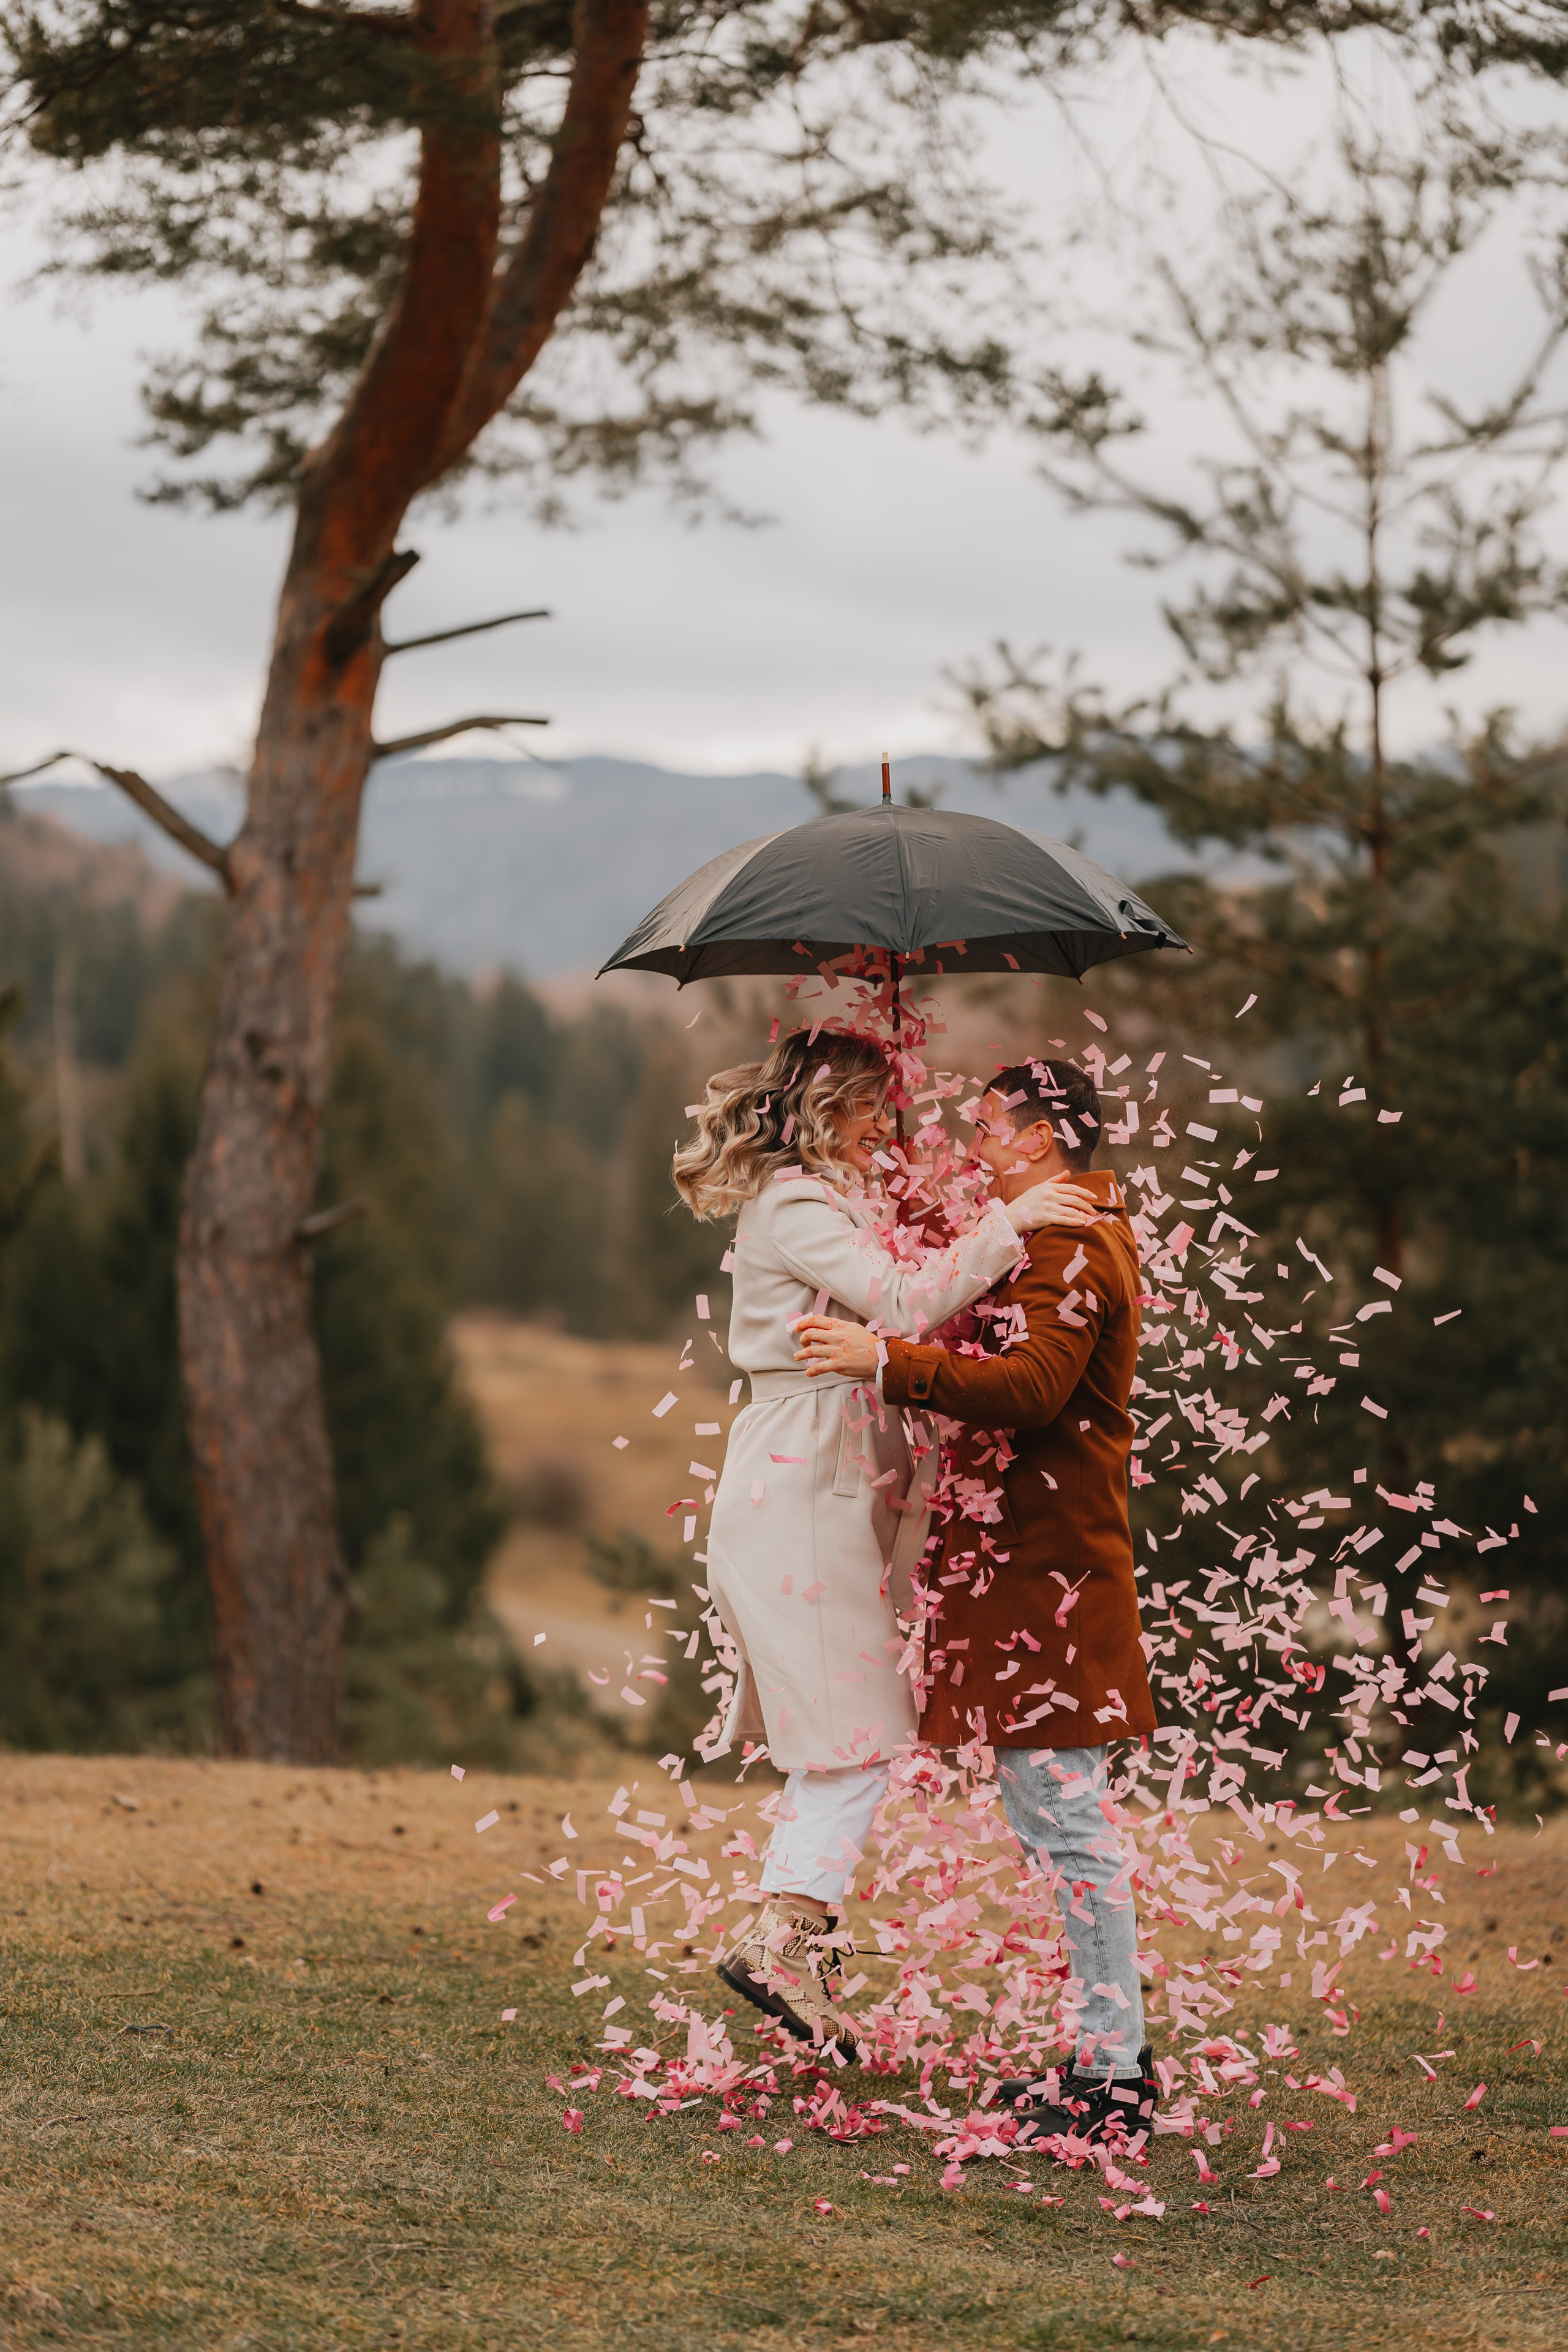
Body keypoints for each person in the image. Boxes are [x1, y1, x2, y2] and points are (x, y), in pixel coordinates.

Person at [671, 1030, 1097, 2052]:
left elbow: (902, 1298)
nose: (885, 1123)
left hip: (826, 1475)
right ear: (824, 1108)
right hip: (799, 1484)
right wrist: (1011, 1221)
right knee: (861, 1730)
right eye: (868, 1105)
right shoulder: (796, 1204)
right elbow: (904, 1301)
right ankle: (783, 1939)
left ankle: (789, 1936)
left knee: (846, 1731)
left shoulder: (835, 1201)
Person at [794, 1055, 1159, 2142]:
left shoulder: (1076, 1243)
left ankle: (1116, 2082)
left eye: (993, 1124)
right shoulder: (1047, 1233)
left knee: (1071, 1827)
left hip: (1056, 1577)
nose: (977, 1141)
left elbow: (1036, 1388)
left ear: (1042, 1137)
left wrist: (885, 1359)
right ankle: (1103, 2060)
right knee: (1054, 1822)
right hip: (1029, 1577)